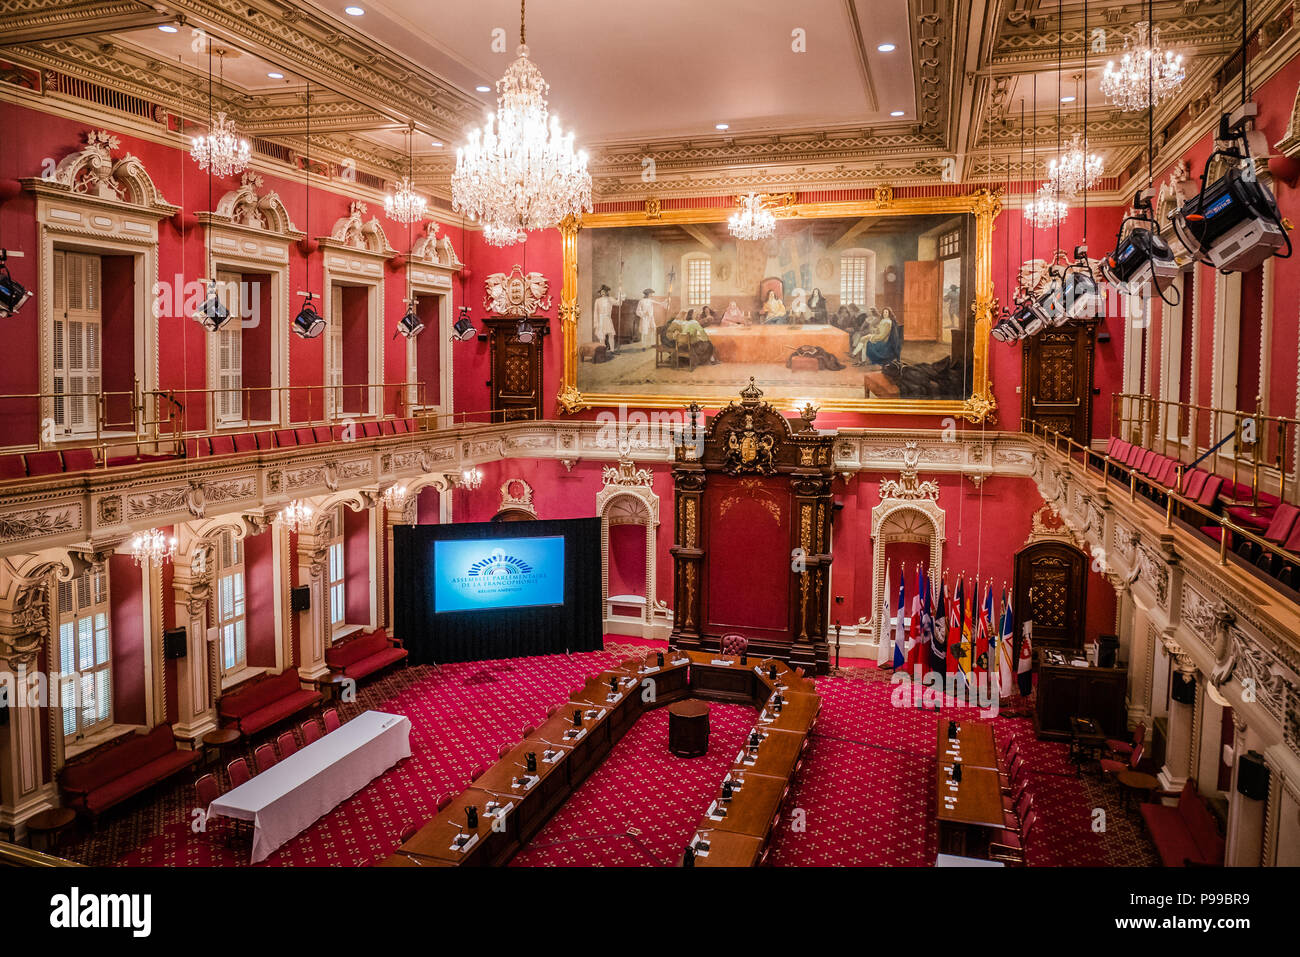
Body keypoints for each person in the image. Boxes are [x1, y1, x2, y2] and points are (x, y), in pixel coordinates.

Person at [592, 284, 619, 351]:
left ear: (607, 292)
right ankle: (603, 350)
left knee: (611, 334)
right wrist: (596, 323)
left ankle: (612, 350)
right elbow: (596, 312)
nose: (602, 293)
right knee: (602, 336)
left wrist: (620, 295)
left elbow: (618, 303)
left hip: (607, 318)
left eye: (604, 292)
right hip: (601, 319)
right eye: (601, 292)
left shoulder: (610, 299)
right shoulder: (598, 300)